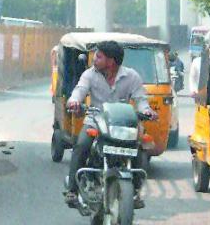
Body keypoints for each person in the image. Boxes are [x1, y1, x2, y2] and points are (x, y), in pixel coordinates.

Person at [64, 41, 158, 210]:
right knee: (81, 145)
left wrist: (147, 111)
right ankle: (72, 189)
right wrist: (74, 101)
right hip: (95, 120)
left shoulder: (132, 77)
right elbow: (79, 90)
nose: (94, 59)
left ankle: (135, 191)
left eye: (99, 57)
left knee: (140, 149)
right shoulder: (89, 75)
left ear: (111, 61)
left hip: (122, 124)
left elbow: (141, 101)